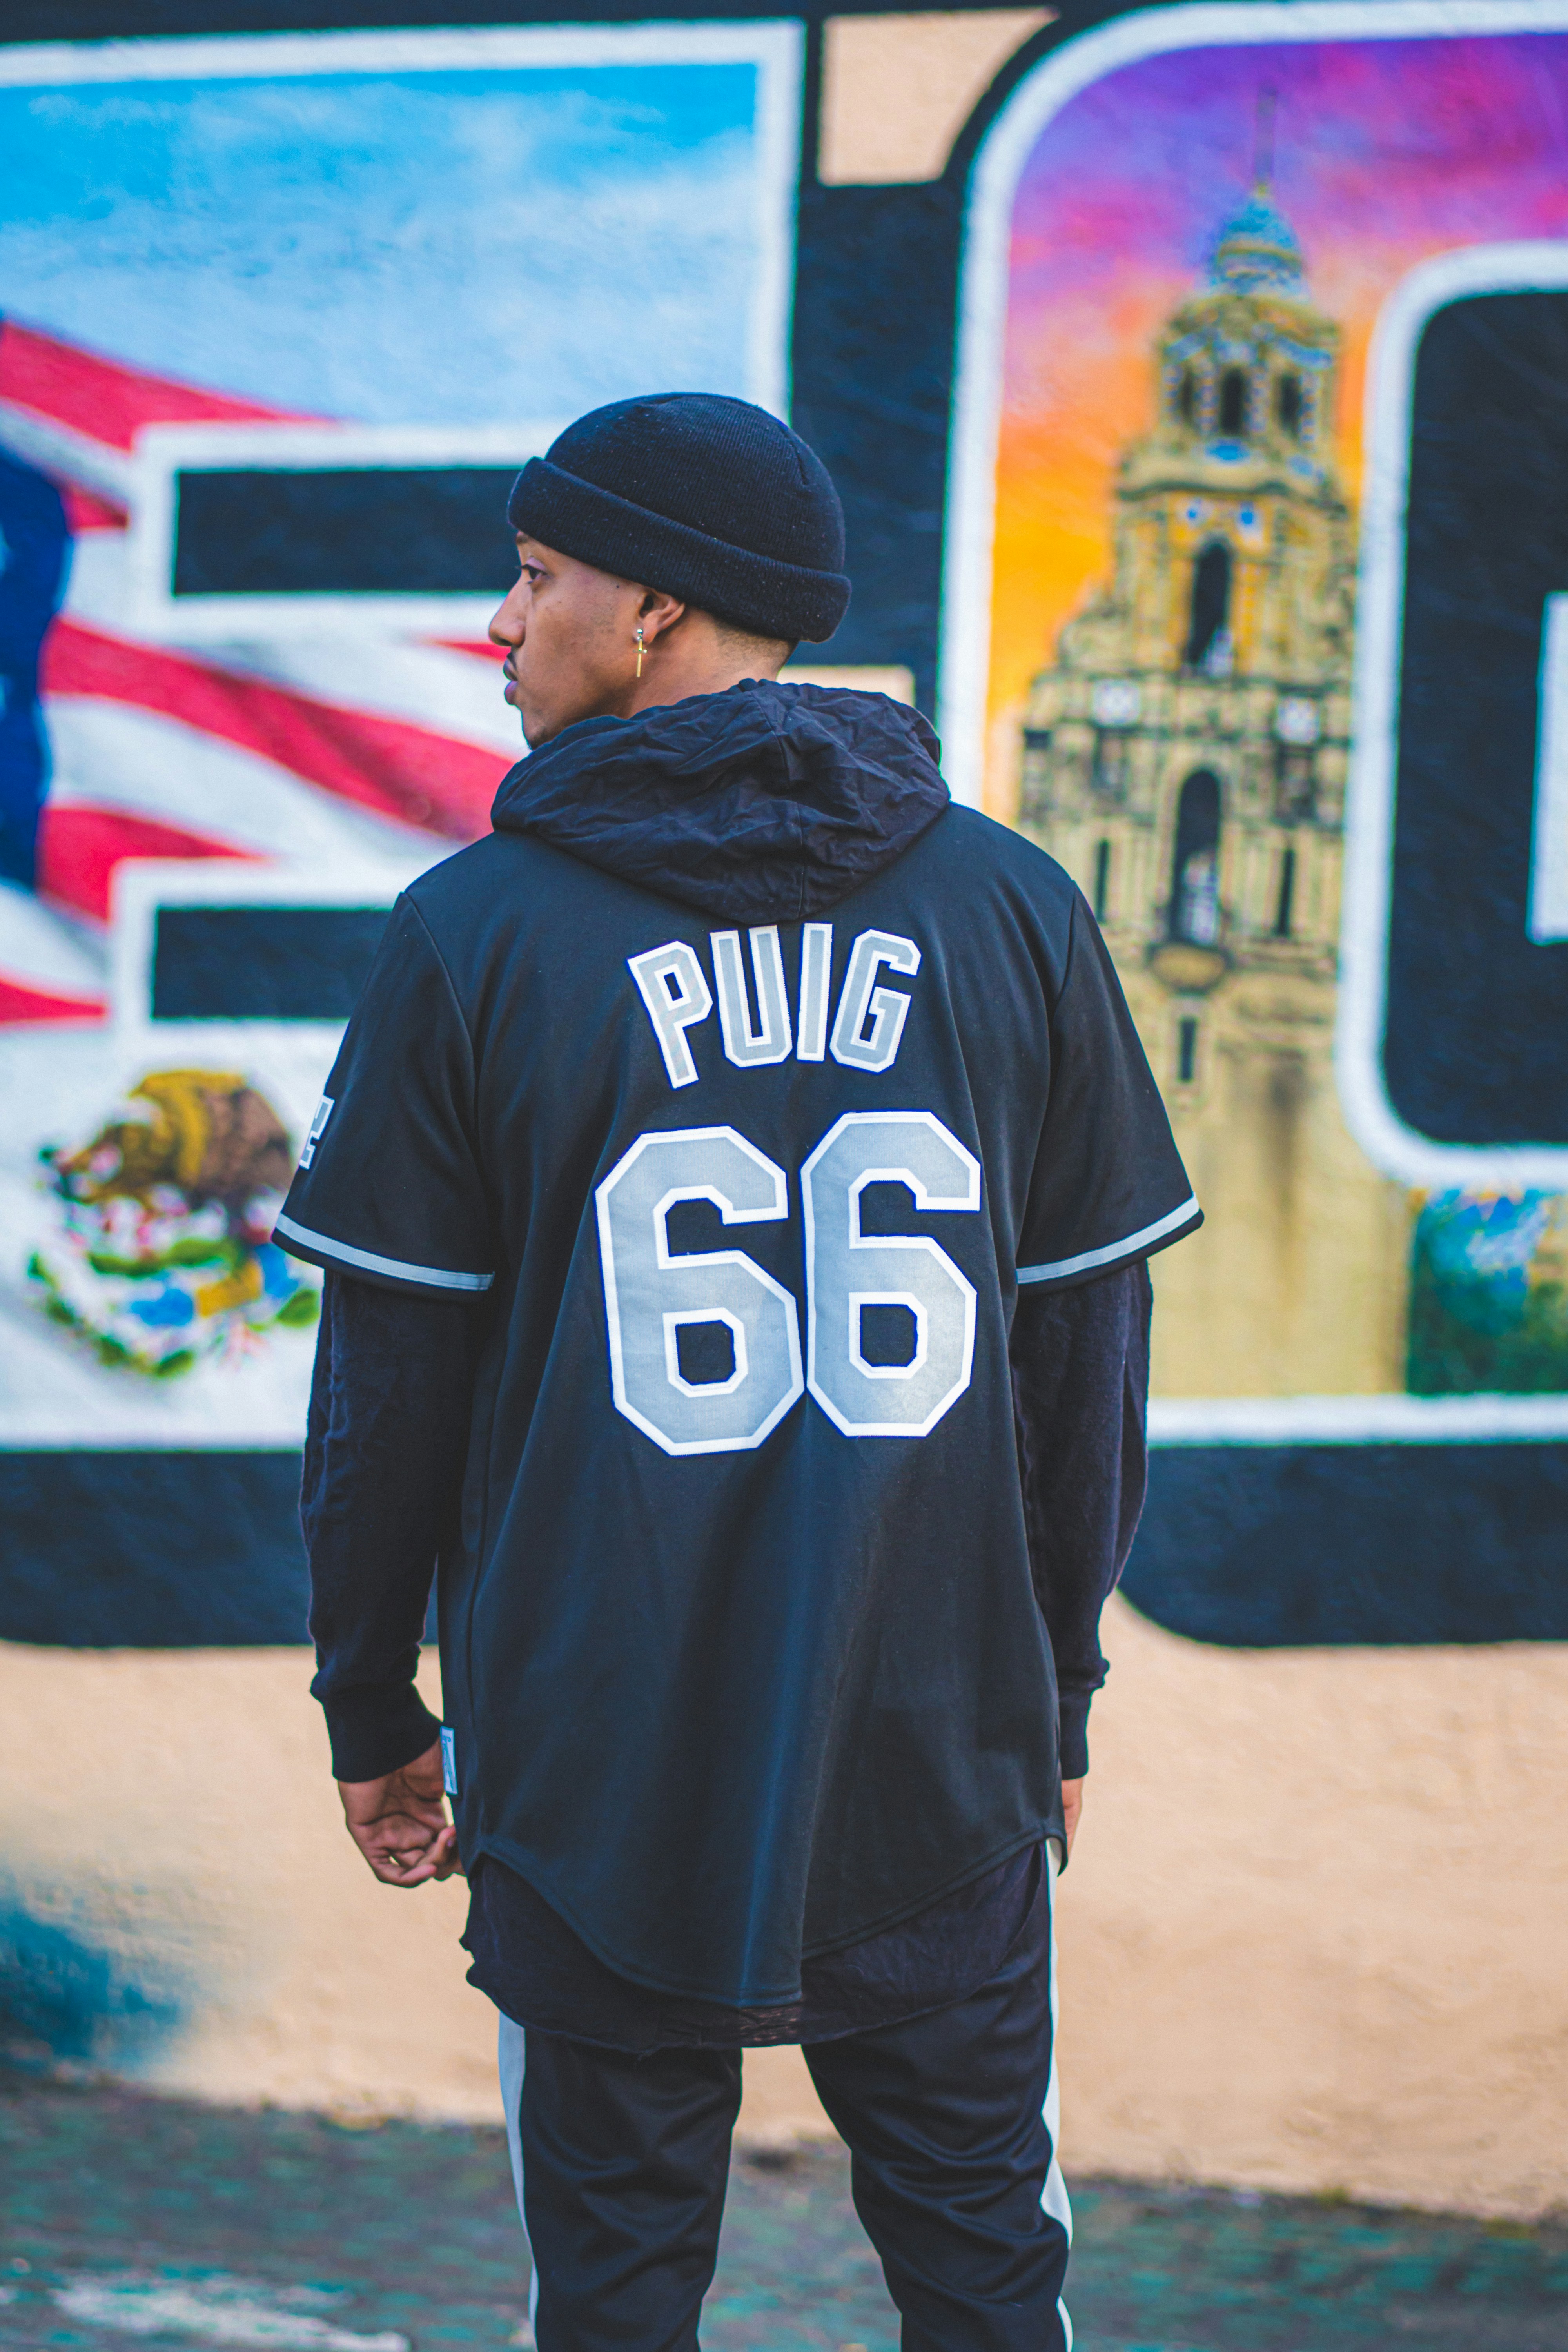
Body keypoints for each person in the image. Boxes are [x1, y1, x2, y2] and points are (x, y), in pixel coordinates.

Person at [277, 392, 1200, 2352]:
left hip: (591, 1746)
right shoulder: (1013, 906)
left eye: (534, 574)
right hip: (936, 1729)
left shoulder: (472, 933)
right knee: (987, 2268)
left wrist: (371, 1697)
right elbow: (1084, 1365)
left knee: (610, 2293)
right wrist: (1057, 1687)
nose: (498, 622)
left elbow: (385, 1393)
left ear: (653, 611)